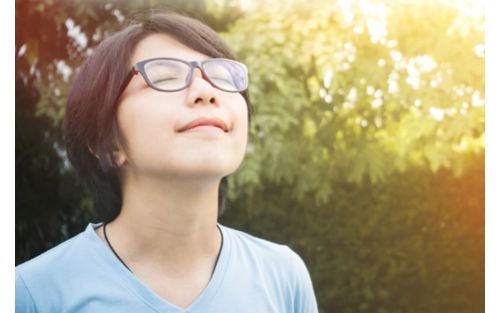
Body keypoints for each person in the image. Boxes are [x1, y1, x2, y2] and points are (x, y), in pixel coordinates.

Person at [15, 12, 318, 313]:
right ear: (105, 143)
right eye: (164, 76)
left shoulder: (283, 276)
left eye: (224, 77)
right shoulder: (31, 294)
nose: (206, 92)